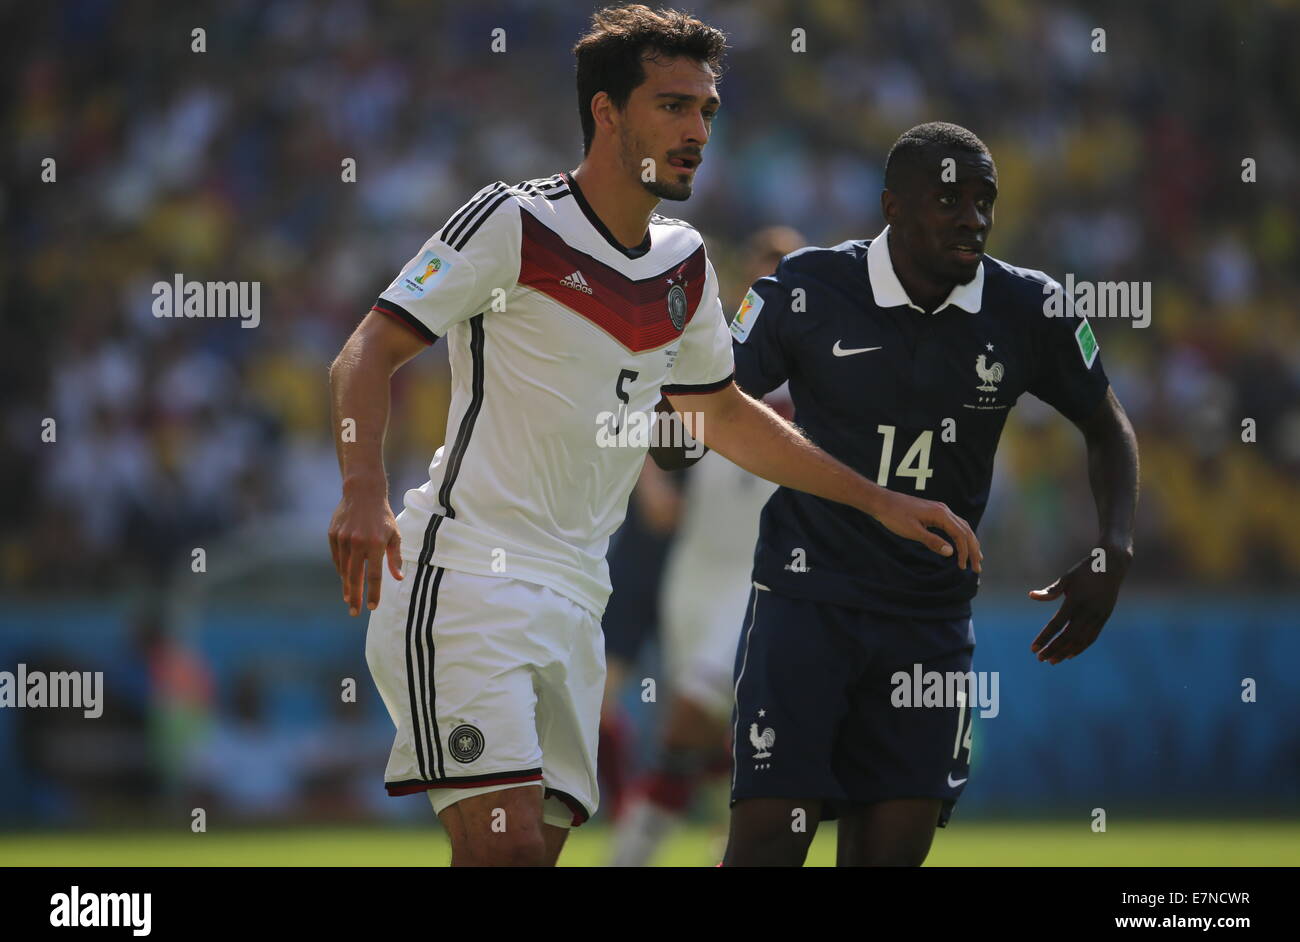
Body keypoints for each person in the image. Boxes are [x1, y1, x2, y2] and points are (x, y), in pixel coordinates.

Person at [327, 8, 978, 867]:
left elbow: (725, 416)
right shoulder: (511, 223)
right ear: (606, 112)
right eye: (673, 106)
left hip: (576, 597)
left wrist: (878, 501)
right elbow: (365, 352)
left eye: (706, 110)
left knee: (527, 856)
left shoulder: (685, 263)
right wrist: (363, 491)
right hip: (465, 575)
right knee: (506, 851)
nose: (697, 131)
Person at [722, 122, 1140, 866]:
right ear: (892, 206)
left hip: (929, 620)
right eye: (951, 198)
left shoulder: (1030, 307)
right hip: (803, 602)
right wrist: (665, 434)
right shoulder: (807, 287)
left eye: (985, 199)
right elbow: (713, 403)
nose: (973, 216)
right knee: (766, 846)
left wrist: (1114, 548)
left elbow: (1107, 427)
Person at [609, 226, 805, 866]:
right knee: (714, 733)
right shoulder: (710, 351)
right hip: (693, 574)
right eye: (765, 268)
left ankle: (631, 854)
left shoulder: (824, 369)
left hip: (761, 578)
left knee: (693, 713)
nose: (775, 281)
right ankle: (730, 848)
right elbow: (646, 414)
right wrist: (651, 481)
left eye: (787, 269)